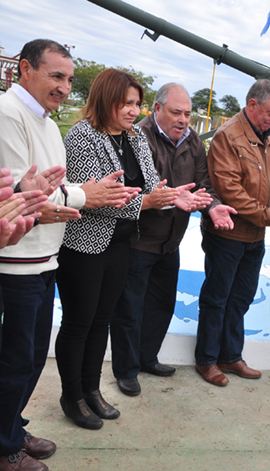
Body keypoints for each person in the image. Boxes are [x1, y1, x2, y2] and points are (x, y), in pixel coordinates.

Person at [0, 39, 130, 471]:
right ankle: (4, 449)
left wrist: (72, 193)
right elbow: (22, 193)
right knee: (14, 358)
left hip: (44, 259)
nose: (64, 87)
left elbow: (48, 190)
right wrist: (85, 194)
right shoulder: (7, 114)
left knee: (32, 357)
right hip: (16, 260)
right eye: (56, 75)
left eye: (69, 79)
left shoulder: (48, 124)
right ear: (25, 70)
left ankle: (11, 429)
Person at [56, 68, 201, 430]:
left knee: (101, 322)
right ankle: (71, 396)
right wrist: (151, 202)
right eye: (126, 103)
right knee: (78, 324)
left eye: (136, 103)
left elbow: (152, 184)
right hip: (85, 246)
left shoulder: (134, 138)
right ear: (107, 100)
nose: (133, 111)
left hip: (121, 244)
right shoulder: (82, 136)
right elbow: (99, 198)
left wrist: (172, 196)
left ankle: (92, 390)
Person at [110, 83, 233, 397]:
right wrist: (168, 197)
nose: (183, 120)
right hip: (138, 239)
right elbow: (136, 189)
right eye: (176, 112)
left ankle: (147, 358)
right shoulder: (138, 137)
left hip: (170, 242)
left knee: (162, 305)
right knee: (129, 309)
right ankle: (126, 371)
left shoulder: (193, 141)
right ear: (157, 109)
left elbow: (204, 184)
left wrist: (214, 207)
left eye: (188, 113)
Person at [195, 79, 270, 386]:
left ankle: (231, 355)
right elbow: (230, 191)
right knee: (217, 298)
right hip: (227, 235)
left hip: (256, 237)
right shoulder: (227, 136)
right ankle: (207, 360)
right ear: (252, 104)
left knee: (241, 297)